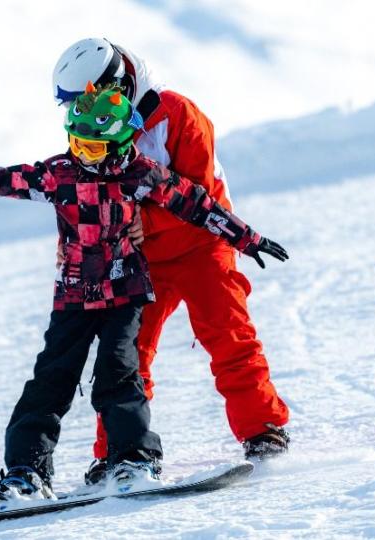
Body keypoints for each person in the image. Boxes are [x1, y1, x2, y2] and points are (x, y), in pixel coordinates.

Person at [0, 83, 288, 502]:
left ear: (118, 144)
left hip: (125, 295)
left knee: (120, 376)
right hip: (74, 297)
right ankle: (26, 472)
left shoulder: (141, 174)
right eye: (76, 143)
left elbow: (198, 205)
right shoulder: (61, 173)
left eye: (93, 148)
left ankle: (132, 459)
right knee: (49, 381)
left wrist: (248, 239)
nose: (83, 156)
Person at [52, 39, 292, 485]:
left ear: (116, 83)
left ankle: (263, 430)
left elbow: (198, 193)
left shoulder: (177, 114)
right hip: (143, 261)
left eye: (91, 95)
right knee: (124, 357)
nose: (88, 107)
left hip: (202, 246)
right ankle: (120, 452)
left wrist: (145, 220)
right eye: (78, 102)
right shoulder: (95, 128)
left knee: (228, 334)